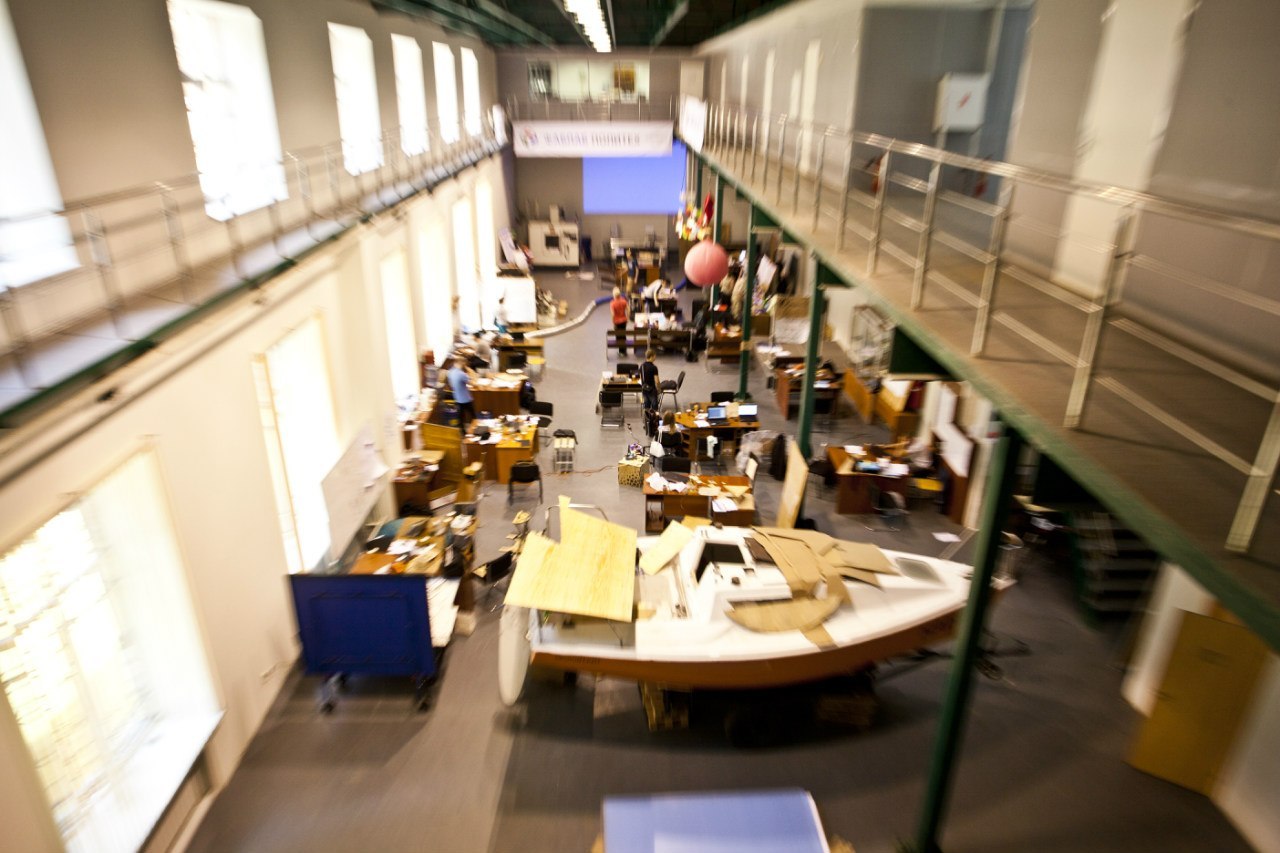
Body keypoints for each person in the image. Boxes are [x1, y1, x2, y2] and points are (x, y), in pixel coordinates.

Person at [446, 356, 475, 426]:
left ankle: (462, 431)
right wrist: (469, 370)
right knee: (473, 416)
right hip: (466, 398)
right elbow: (473, 383)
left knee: (461, 417)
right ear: (462, 363)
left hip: (457, 398)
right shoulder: (461, 374)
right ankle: (474, 429)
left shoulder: (450, 372)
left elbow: (451, 385)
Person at [639, 349, 660, 415]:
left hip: (644, 389)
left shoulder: (642, 366)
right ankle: (655, 419)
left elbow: (641, 378)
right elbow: (657, 381)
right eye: (655, 356)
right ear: (651, 356)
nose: (655, 357)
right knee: (655, 409)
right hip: (652, 390)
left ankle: (647, 419)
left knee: (647, 407)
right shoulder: (654, 367)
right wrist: (659, 389)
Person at [610, 287, 630, 355]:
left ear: (614, 295)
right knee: (623, 335)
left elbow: (613, 314)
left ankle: (621, 351)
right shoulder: (624, 301)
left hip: (617, 322)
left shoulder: (612, 303)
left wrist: (613, 321)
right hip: (624, 321)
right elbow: (628, 309)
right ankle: (624, 349)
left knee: (618, 336)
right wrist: (627, 318)